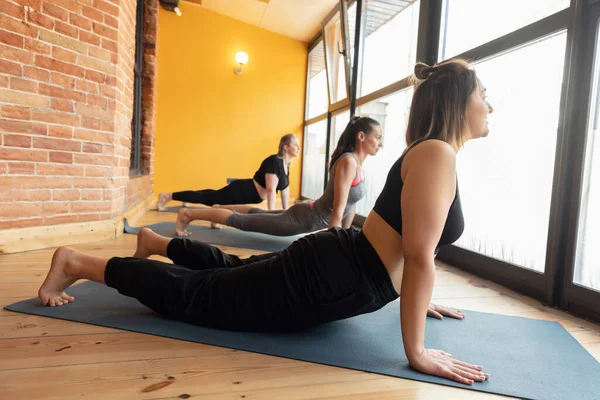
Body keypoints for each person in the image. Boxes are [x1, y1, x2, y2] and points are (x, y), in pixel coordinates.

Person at [37, 58, 492, 385]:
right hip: (331, 276)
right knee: (200, 296)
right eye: (483, 96)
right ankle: (77, 264)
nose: (489, 107)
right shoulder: (437, 153)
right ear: (458, 103)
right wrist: (417, 351)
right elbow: (416, 255)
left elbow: (412, 249)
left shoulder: (436, 153)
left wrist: (415, 293)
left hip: (340, 267)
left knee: (231, 272)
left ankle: (158, 242)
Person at [172, 117, 382, 237]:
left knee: (254, 212)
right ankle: (188, 215)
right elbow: (338, 210)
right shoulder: (348, 162)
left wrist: (345, 237)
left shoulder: (357, 165)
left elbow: (350, 206)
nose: (380, 143)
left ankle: (217, 209)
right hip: (304, 218)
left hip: (307, 213)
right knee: (243, 221)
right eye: (378, 137)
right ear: (361, 136)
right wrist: (333, 246)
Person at [156, 134, 300, 211]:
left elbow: (285, 190)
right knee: (208, 198)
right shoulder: (274, 161)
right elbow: (270, 190)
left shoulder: (286, 165)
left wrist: (286, 211)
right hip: (241, 191)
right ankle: (167, 196)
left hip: (248, 195)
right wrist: (271, 216)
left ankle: (186, 197)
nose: (299, 148)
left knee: (210, 195)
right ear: (286, 147)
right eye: (296, 145)